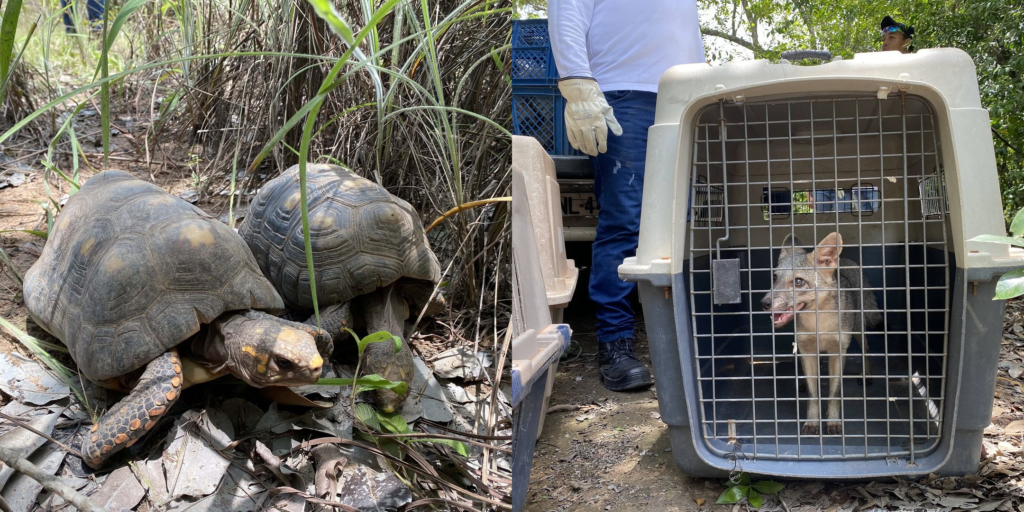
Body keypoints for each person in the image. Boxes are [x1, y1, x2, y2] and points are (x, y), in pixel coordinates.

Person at [548, 1, 706, 391]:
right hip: (623, 93)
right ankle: (615, 344)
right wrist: (577, 82)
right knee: (625, 222)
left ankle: (685, 338)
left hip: (686, 97)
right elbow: (567, 8)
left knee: (686, 221)